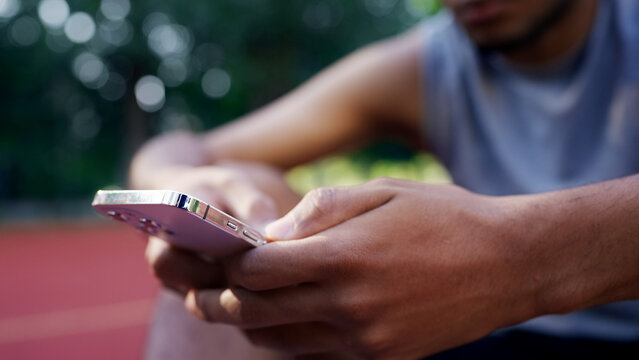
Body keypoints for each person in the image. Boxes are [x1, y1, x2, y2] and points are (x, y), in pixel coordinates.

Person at [130, 0, 639, 358]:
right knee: (231, 225)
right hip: (487, 339)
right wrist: (184, 183)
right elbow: (183, 151)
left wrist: (518, 259)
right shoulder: (429, 65)